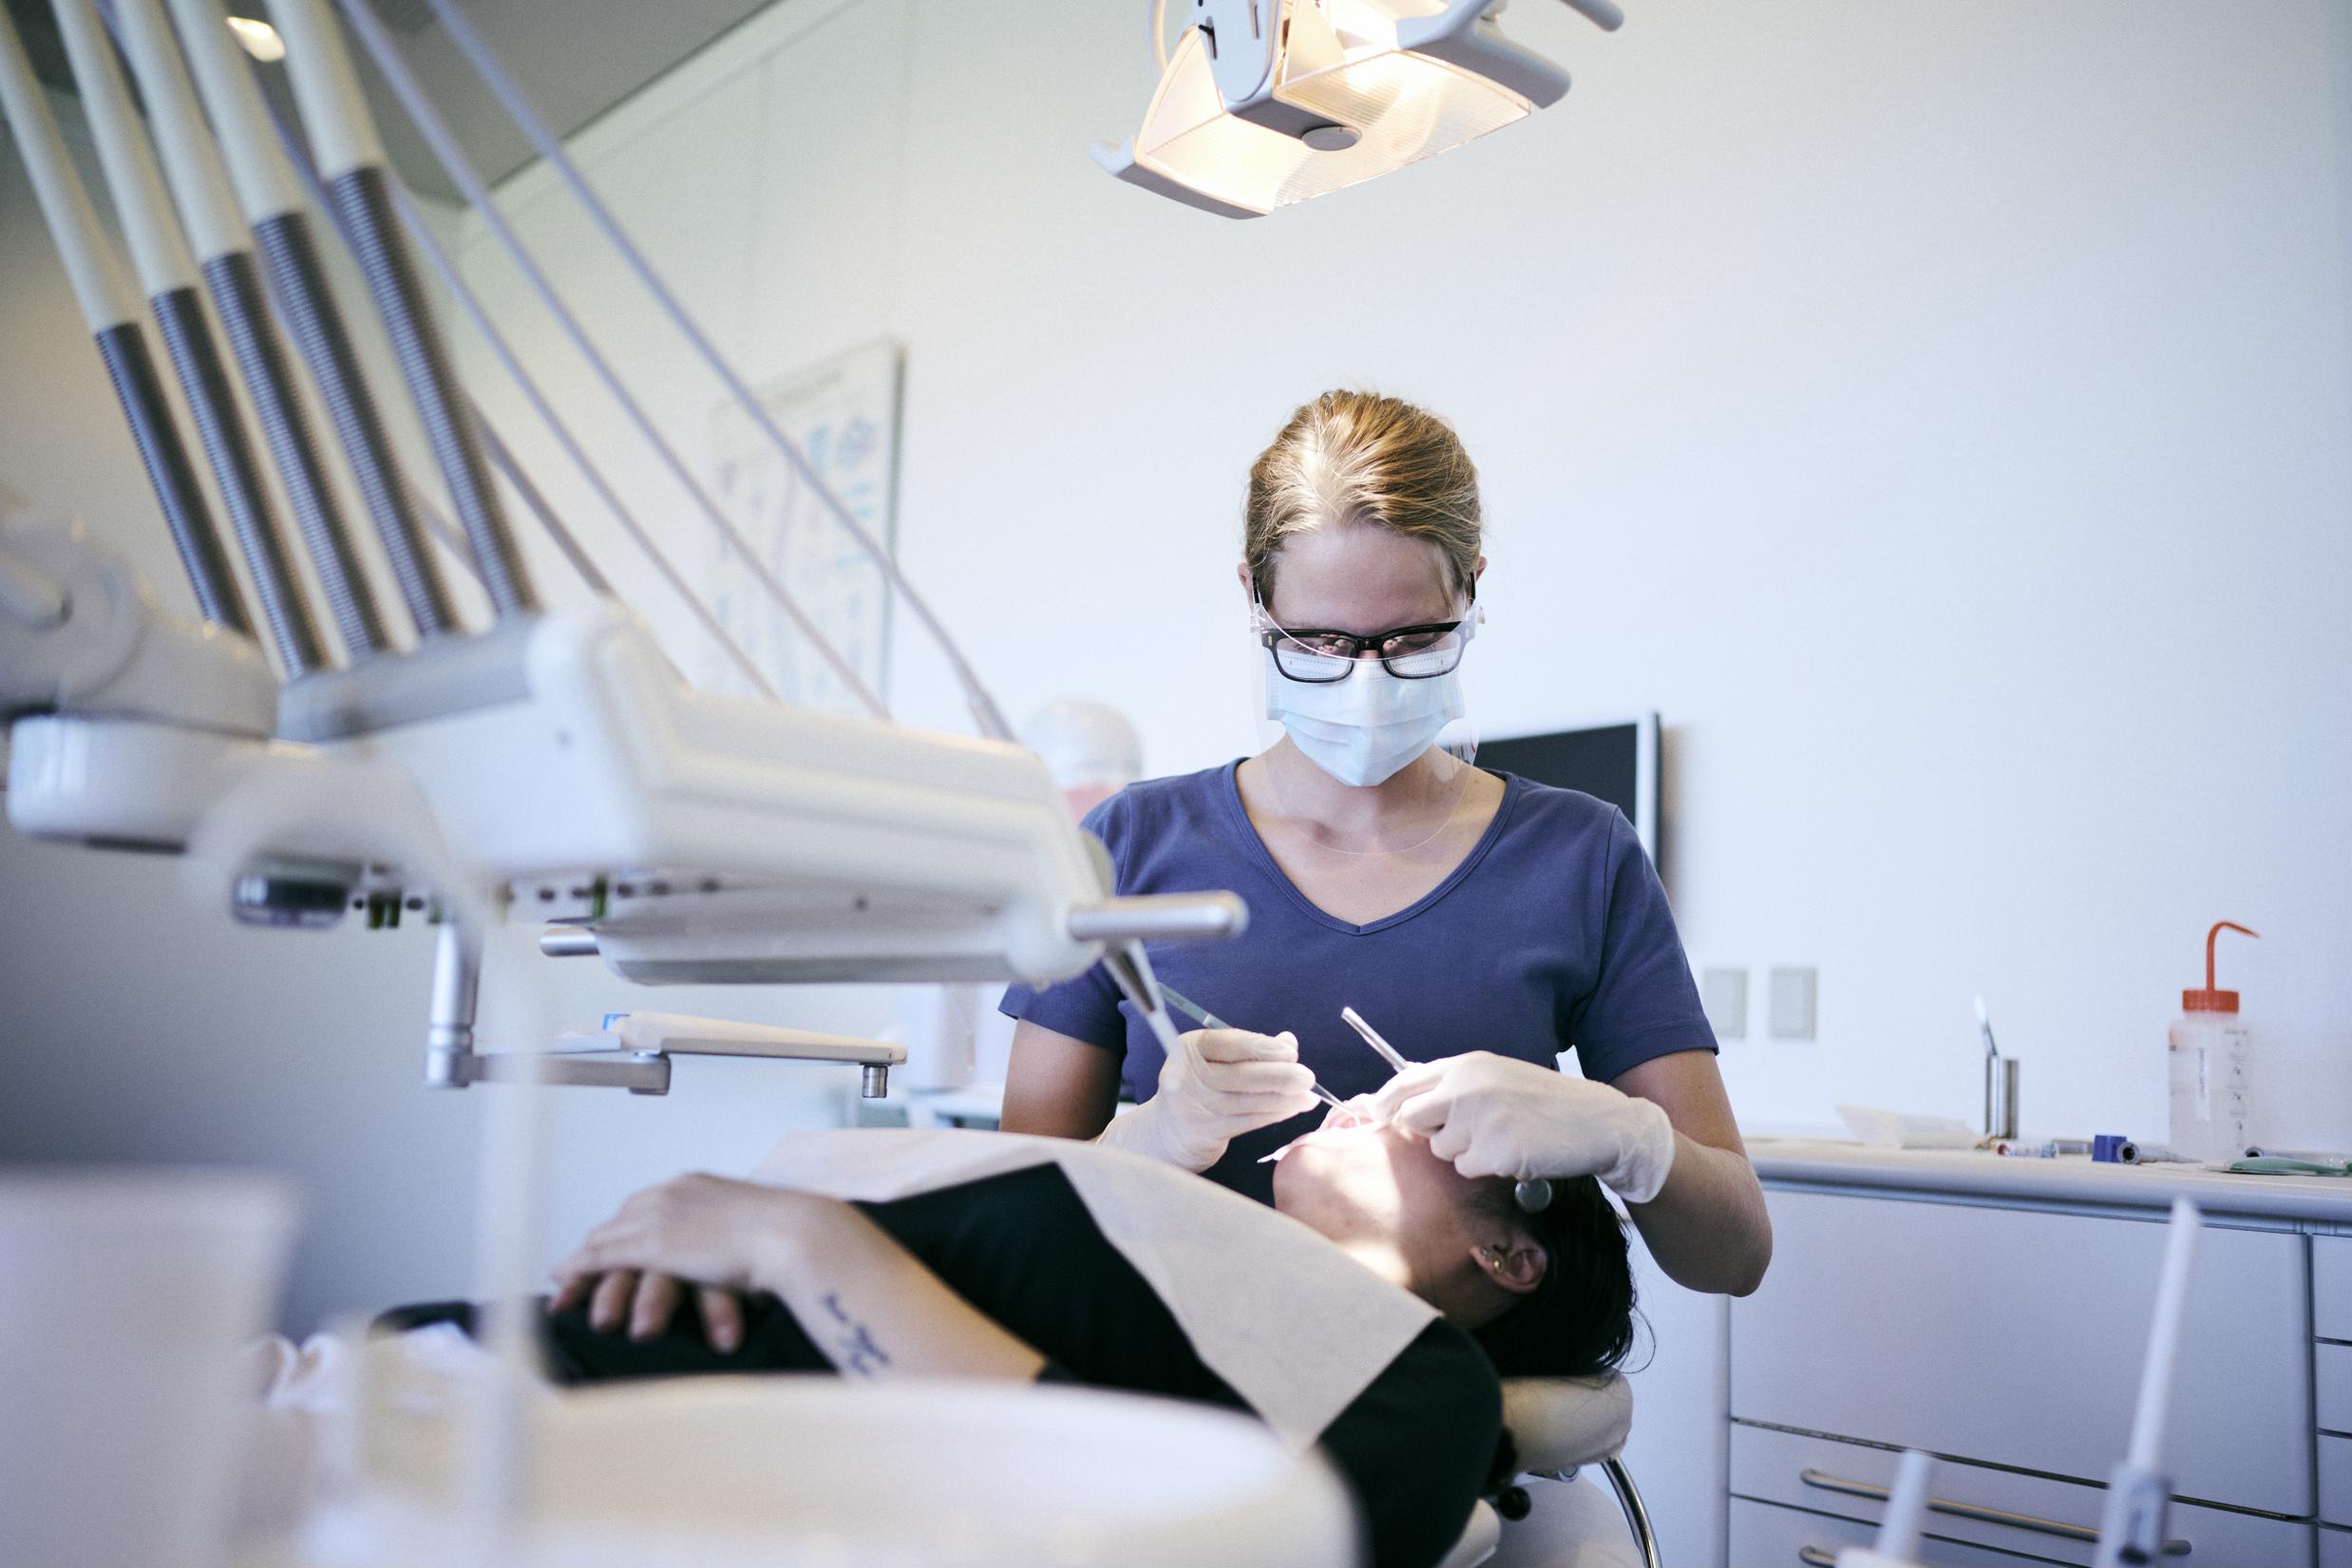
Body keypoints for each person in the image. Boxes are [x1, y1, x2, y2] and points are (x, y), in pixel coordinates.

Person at [997, 389, 1772, 1296]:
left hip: (1440, 1410)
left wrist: (1626, 1136)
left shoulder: (1579, 857)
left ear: (1472, 590)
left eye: (1412, 639)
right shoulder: (1128, 846)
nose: (1365, 682)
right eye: (1320, 642)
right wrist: (1149, 1140)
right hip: (1166, 1387)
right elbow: (1010, 1226)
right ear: (1254, 598)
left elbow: (1733, 1257)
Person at [386, 1116, 1637, 1568]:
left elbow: (1060, 1501)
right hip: (450, 1385)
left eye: (1429, 1117)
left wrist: (796, 1242)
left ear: (1511, 1251)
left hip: (503, 1460)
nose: (1375, 1098)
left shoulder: (1429, 1390)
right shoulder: (1206, 1252)